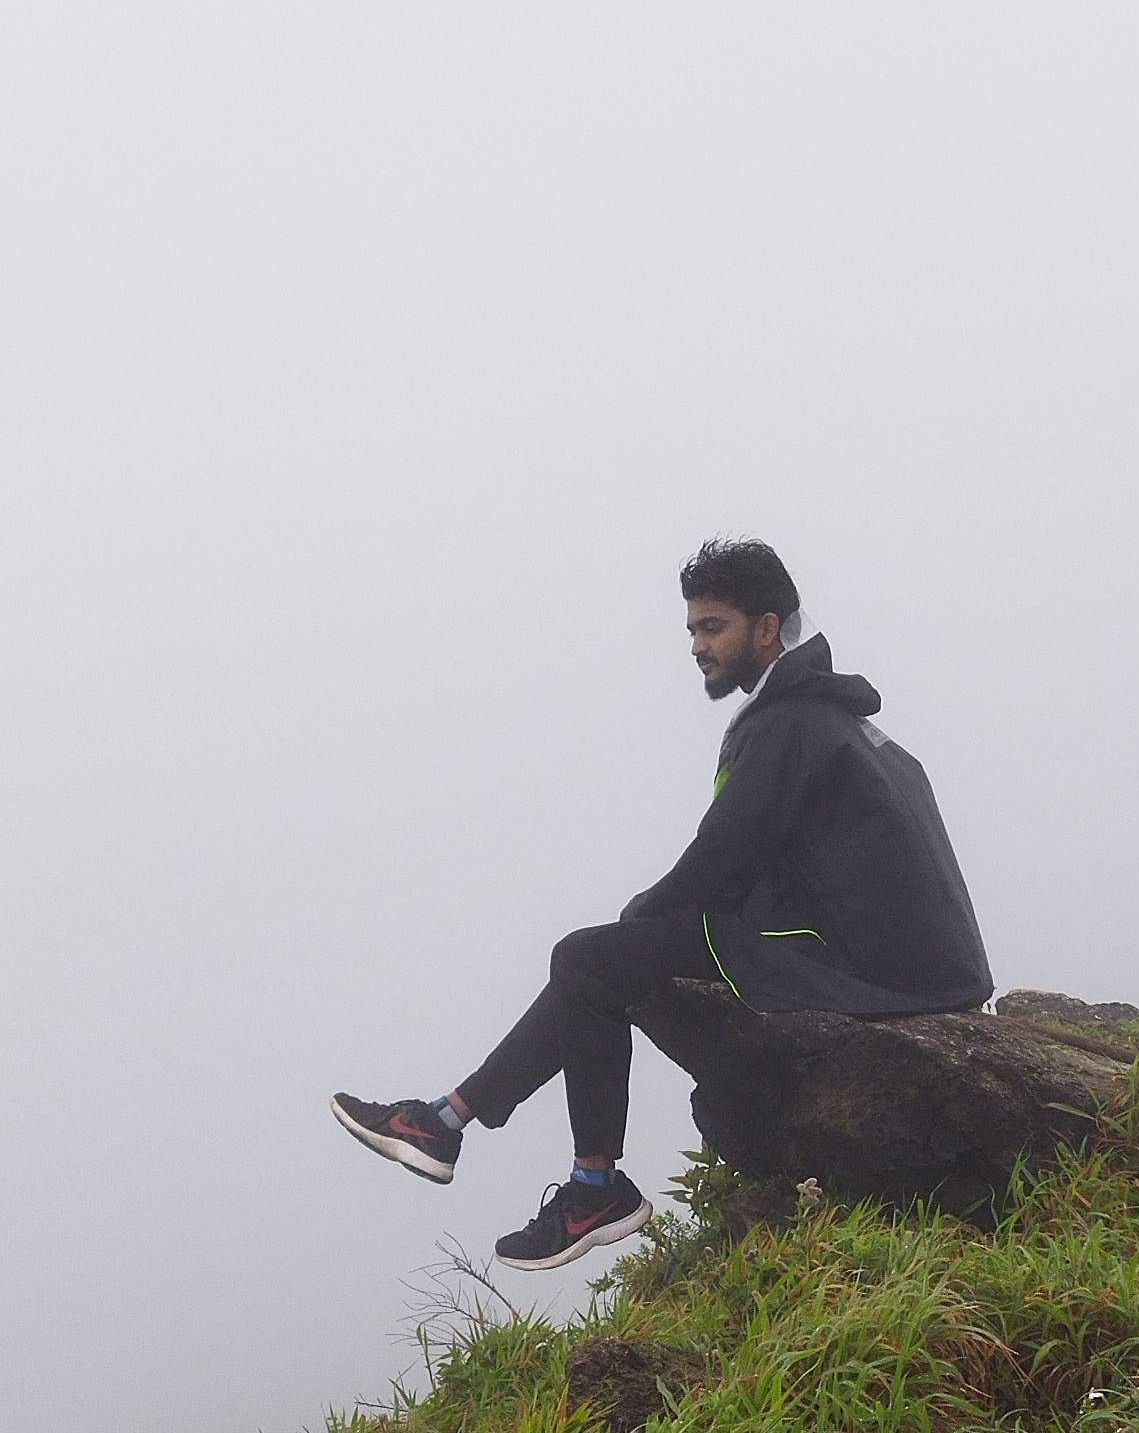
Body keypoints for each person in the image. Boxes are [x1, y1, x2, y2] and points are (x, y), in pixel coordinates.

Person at [331, 539, 993, 1270]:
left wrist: (639, 921)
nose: (698, 646)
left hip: (866, 963)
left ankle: (577, 1180)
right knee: (601, 959)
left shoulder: (791, 724)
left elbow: (724, 854)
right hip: (888, 952)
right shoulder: (822, 716)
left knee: (589, 960)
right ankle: (453, 1123)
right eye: (692, 631)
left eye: (713, 627)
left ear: (766, 627)